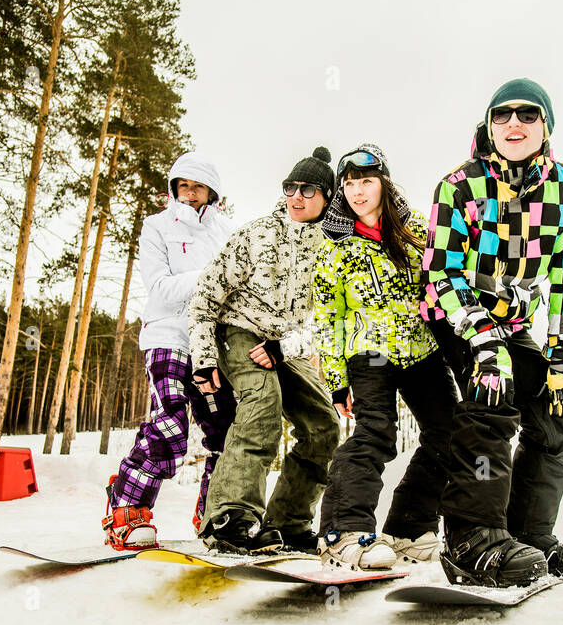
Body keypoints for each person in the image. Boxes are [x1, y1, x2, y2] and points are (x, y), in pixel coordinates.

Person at [421, 78, 563, 586]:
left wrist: (560, 354)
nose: (513, 123)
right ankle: (471, 538)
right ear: (489, 126)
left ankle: (526, 535)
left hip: (512, 320)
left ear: (547, 126)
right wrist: (483, 340)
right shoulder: (460, 184)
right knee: (492, 389)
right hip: (455, 313)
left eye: (527, 114)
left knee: (553, 411)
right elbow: (442, 273)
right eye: (502, 115)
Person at [186, 147, 341, 554]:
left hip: (285, 344)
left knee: (324, 426)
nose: (296, 196)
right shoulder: (256, 235)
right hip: (238, 330)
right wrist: (203, 359)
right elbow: (204, 298)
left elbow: (330, 319)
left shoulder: (333, 249)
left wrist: (285, 347)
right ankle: (229, 516)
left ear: (327, 196)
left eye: (308, 190)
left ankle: (288, 521)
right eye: (290, 187)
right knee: (263, 404)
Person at [311, 144, 458, 570]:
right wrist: (337, 380)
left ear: (384, 184)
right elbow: (328, 318)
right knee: (376, 433)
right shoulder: (335, 247)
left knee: (448, 431)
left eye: (366, 181)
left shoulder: (418, 233)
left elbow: (443, 282)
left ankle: (410, 529)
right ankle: (343, 532)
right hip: (368, 352)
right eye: (350, 183)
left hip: (420, 350)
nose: (357, 191)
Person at [101, 152, 237, 549]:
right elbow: (159, 288)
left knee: (225, 433)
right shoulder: (157, 227)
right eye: (183, 186)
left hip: (210, 341)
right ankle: (127, 508)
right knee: (171, 421)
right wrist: (212, 278)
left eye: (198, 187)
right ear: (174, 188)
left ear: (212, 192)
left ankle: (216, 513)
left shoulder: (227, 231)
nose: (190, 194)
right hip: (167, 335)